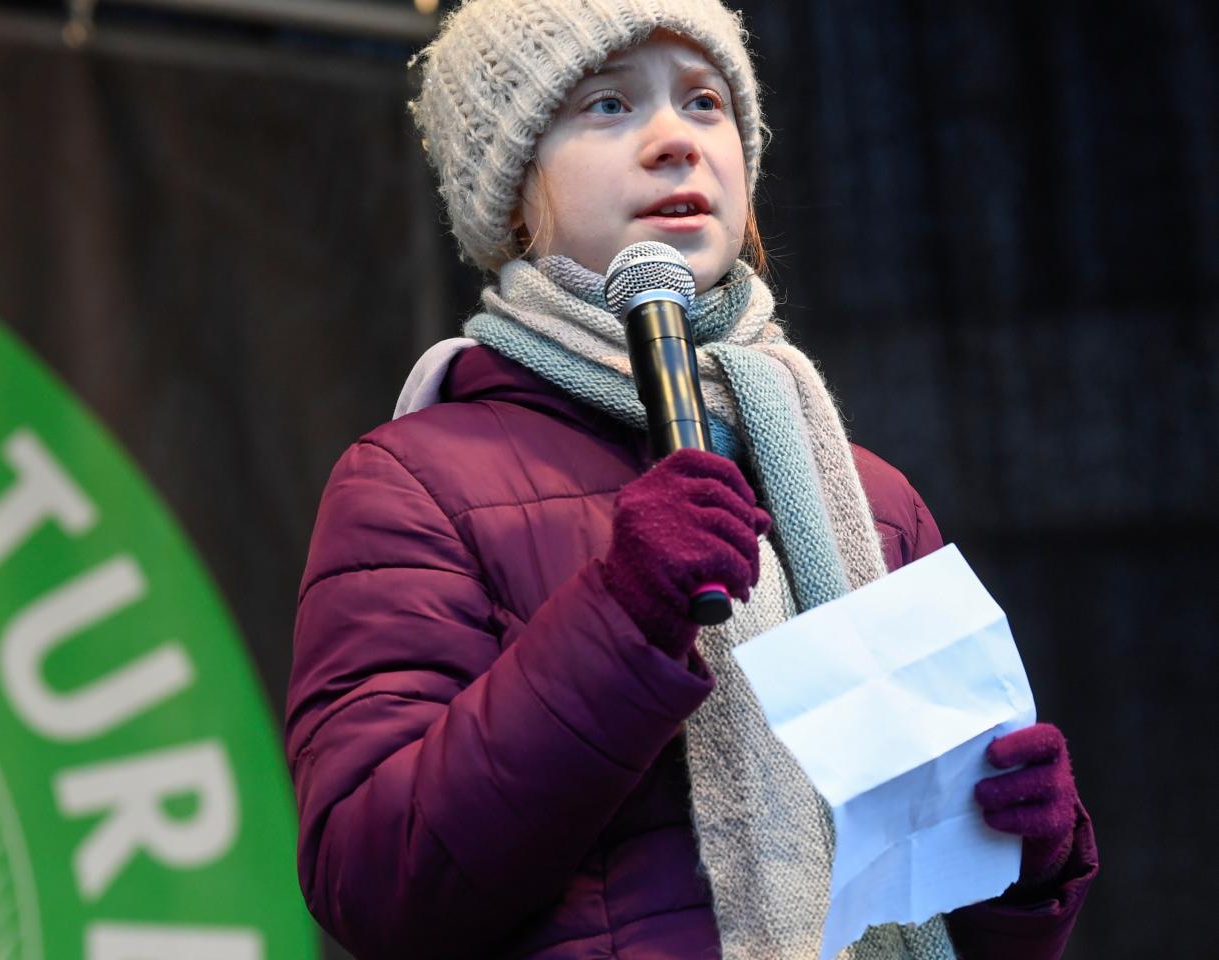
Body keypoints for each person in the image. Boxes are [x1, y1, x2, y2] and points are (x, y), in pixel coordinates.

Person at [284, 1, 1097, 957]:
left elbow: (937, 917)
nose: (675, 140)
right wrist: (621, 616)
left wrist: (1023, 859)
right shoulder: (414, 480)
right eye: (607, 105)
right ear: (511, 194)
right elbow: (372, 882)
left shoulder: (868, 495)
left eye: (705, 101)